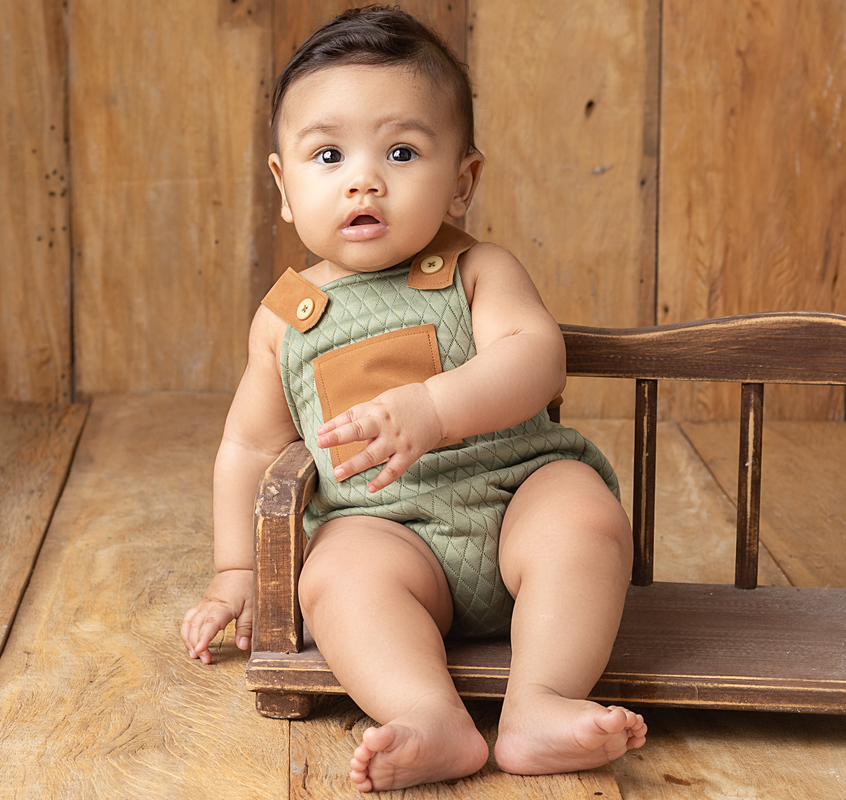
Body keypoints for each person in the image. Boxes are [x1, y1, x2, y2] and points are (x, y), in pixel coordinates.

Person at [179, 6, 645, 792]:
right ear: (284, 186)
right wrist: (234, 571)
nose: (364, 179)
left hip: (511, 499)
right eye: (328, 154)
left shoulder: (476, 272)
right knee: (333, 578)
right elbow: (251, 448)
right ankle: (429, 717)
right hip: (387, 532)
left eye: (401, 151)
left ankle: (541, 702)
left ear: (462, 181)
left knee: (583, 511)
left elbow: (536, 358)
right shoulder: (284, 320)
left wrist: (433, 409)